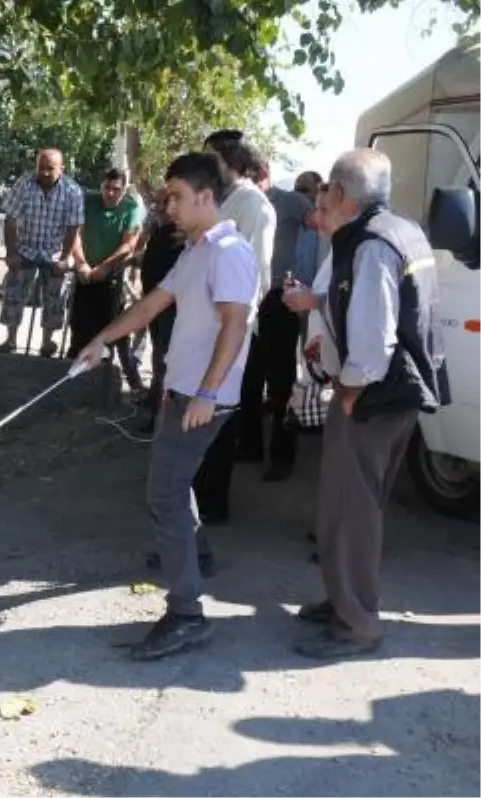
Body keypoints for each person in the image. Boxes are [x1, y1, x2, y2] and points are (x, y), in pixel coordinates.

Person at [73, 152, 258, 661]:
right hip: (184, 392)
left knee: (165, 495)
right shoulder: (197, 250)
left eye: (176, 196)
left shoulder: (229, 252)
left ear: (205, 196)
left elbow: (235, 326)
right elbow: (152, 304)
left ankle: (186, 615)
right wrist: (102, 340)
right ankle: (194, 562)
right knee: (174, 490)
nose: (168, 206)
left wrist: (207, 393)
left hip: (202, 399)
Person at [286, 149, 448, 660]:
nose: (321, 199)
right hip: (399, 395)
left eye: (328, 189)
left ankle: (357, 624)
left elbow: (373, 340)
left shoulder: (372, 246)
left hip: (374, 397)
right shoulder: (403, 230)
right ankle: (344, 599)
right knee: (355, 507)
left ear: (342, 194)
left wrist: (350, 391)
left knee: (351, 512)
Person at [189, 130, 276, 528]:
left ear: (232, 162)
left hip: (230, 326)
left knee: (219, 413)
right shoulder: (228, 201)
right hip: (207, 322)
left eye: (213, 159)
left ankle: (212, 503)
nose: (207, 166)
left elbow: (256, 273)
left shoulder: (254, 205)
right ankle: (197, 495)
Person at [237, 160, 315, 481]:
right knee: (248, 376)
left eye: (254, 176)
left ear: (264, 173)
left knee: (281, 381)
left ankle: (282, 456)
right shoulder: (242, 203)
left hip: (280, 299)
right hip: (249, 296)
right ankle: (251, 445)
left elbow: (320, 233)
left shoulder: (293, 202)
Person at [0, 148, 86, 356]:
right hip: (26, 246)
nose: (45, 173)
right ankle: (10, 339)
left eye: (50, 168)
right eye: (41, 168)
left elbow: (74, 227)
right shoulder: (24, 183)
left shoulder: (72, 191)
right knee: (14, 291)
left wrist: (64, 258)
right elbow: (10, 218)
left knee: (55, 297)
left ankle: (47, 342)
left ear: (61, 169)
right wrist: (11, 253)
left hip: (54, 250)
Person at [67, 167, 146, 391]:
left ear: (124, 190)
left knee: (108, 329)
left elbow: (129, 244)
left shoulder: (131, 207)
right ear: (101, 185)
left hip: (111, 277)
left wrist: (105, 267)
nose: (110, 194)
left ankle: (111, 380)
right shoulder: (87, 200)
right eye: (107, 188)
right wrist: (81, 262)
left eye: (116, 189)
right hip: (85, 274)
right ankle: (73, 370)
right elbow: (75, 233)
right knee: (78, 322)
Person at [136, 187, 187, 434]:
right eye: (156, 204)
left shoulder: (182, 237)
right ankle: (155, 404)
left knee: (163, 360)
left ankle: (160, 415)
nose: (158, 209)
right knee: (158, 357)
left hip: (170, 307)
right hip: (154, 304)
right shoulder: (160, 231)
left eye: (162, 204)